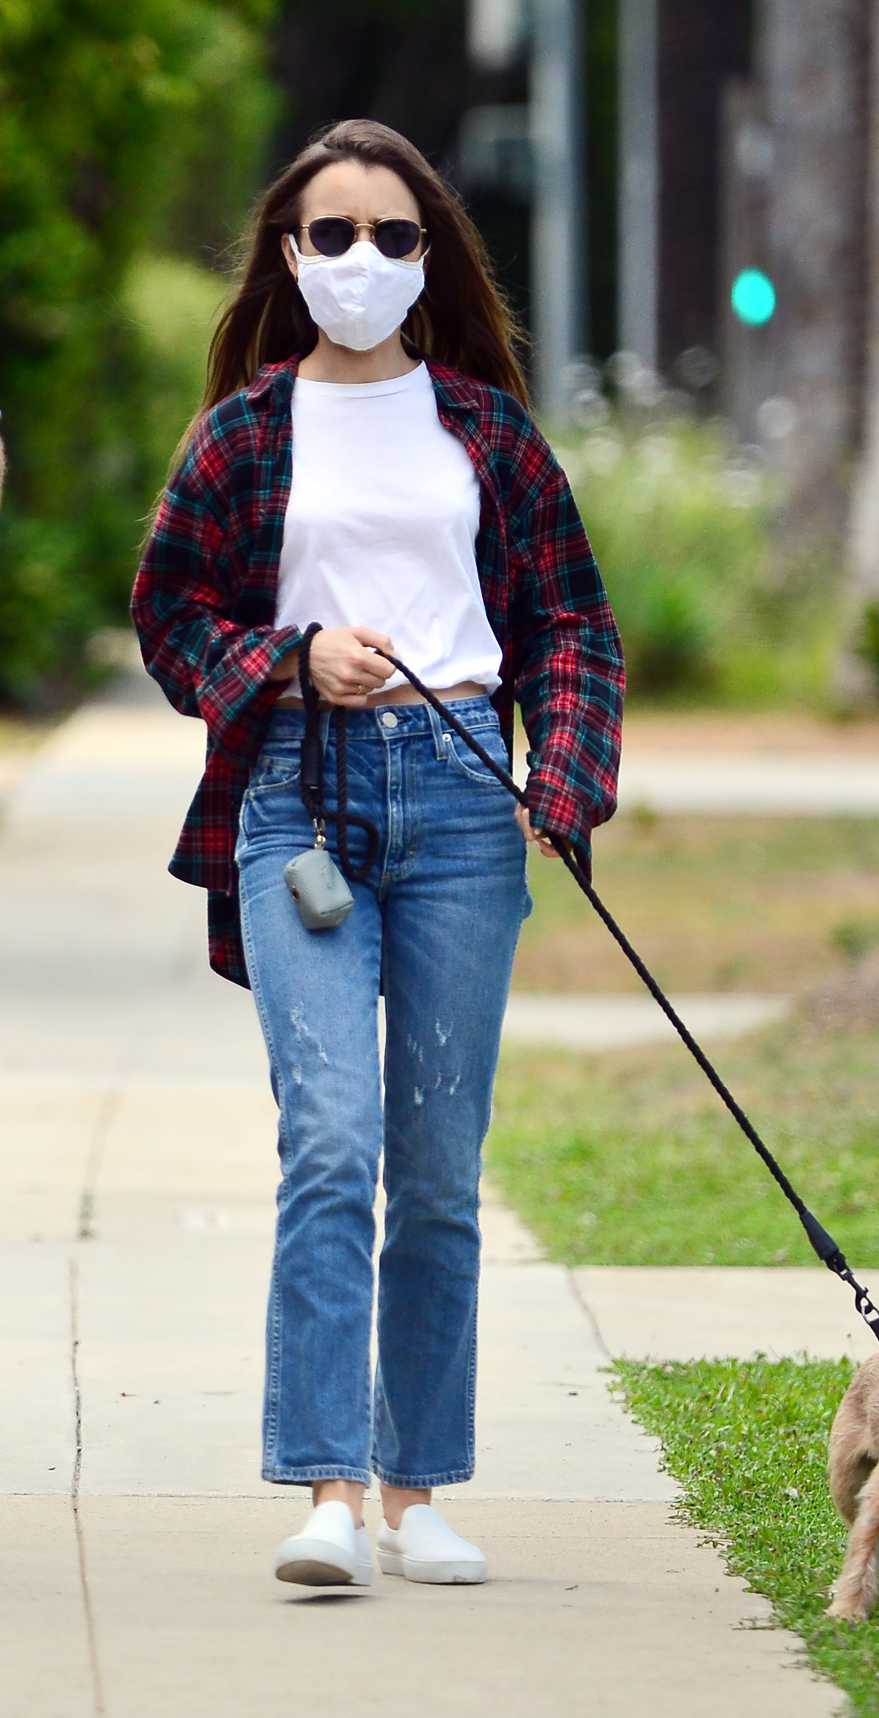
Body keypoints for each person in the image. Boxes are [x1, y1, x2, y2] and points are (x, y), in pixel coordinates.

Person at [129, 117, 625, 1589]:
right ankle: (328, 1492)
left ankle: (416, 1494)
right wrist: (287, 658)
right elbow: (169, 614)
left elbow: (573, 624)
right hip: (298, 796)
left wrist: (566, 778)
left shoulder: (483, 431)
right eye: (330, 234)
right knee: (331, 1138)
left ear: (431, 261)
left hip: (469, 802)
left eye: (392, 237)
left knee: (436, 1163)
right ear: (289, 253)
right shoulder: (240, 433)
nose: (360, 259)